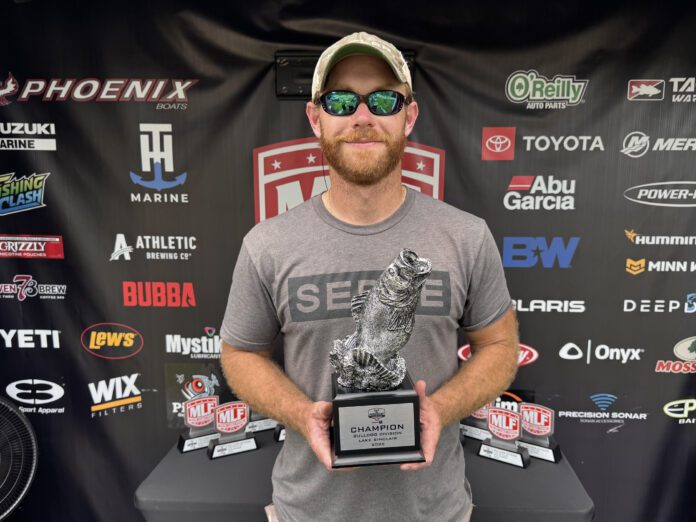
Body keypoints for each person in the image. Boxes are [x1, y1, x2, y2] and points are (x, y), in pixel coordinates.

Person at [220, 31, 519, 522]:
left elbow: (501, 346)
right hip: (308, 512)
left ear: (409, 116)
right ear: (315, 118)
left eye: (383, 100)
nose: (362, 117)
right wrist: (302, 415)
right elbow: (240, 353)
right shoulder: (266, 244)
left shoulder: (467, 236)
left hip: (435, 513)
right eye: (341, 101)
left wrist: (440, 409)